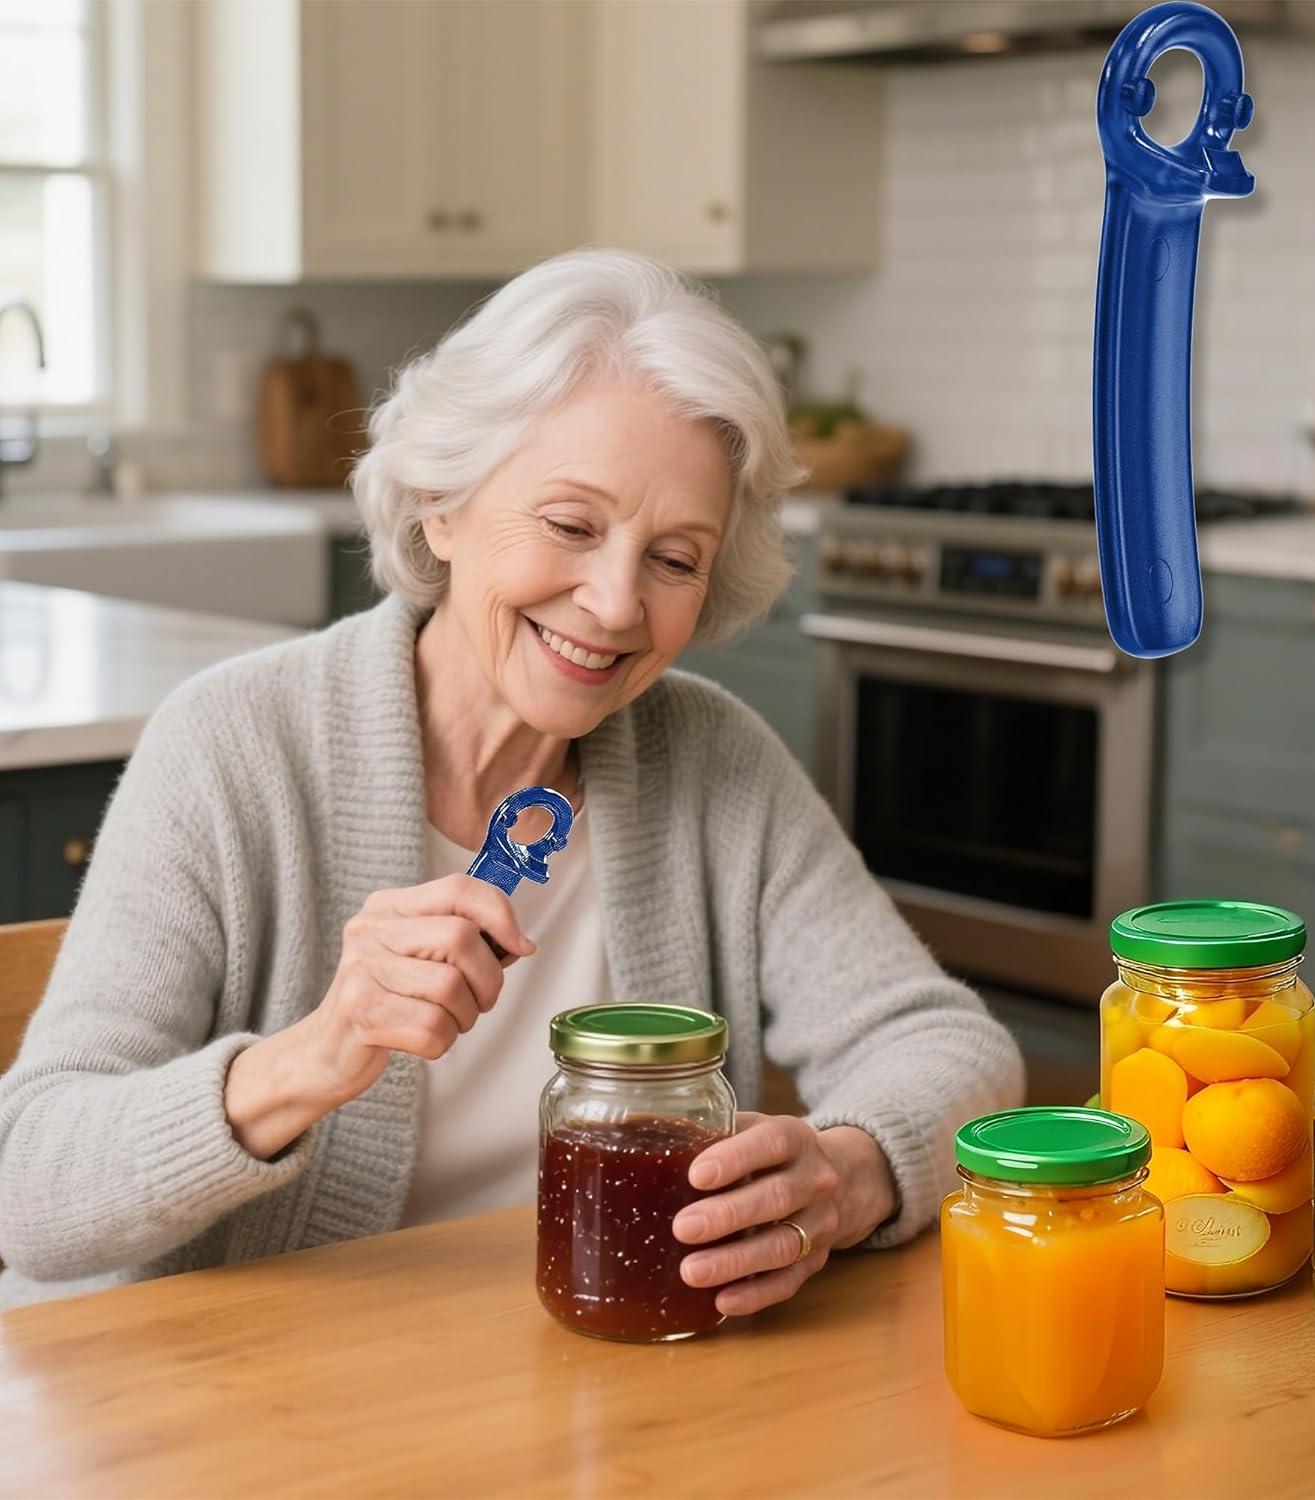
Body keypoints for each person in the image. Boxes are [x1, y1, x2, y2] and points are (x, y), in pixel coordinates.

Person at [0, 249, 1023, 1310]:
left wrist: (852, 1171)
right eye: (572, 526)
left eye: (676, 558)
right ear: (443, 504)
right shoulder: (233, 746)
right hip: (230, 1406)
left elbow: (945, 1046)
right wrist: (312, 1057)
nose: (617, 603)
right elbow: (27, 1184)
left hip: (580, 1386)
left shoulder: (716, 763)